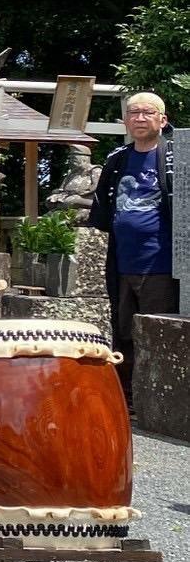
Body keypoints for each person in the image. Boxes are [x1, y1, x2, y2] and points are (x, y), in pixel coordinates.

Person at [90, 91, 178, 402]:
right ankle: (125, 398)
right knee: (123, 329)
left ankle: (159, 399)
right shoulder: (117, 158)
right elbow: (102, 209)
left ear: (162, 120)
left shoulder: (177, 155)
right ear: (126, 120)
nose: (140, 118)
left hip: (162, 262)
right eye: (134, 113)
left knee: (159, 331)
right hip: (122, 261)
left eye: (147, 113)